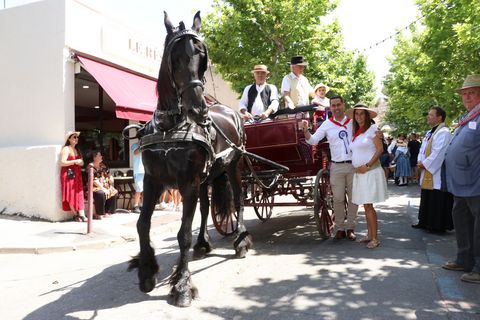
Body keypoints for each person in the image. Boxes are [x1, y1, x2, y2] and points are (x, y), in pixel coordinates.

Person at [301, 95, 359, 241]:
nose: (336, 108)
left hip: (353, 165)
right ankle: (339, 228)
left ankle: (351, 228)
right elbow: (313, 140)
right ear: (330, 107)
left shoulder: (353, 122)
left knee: (353, 198)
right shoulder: (327, 124)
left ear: (343, 105)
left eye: (338, 105)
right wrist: (306, 130)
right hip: (337, 167)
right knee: (338, 199)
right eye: (333, 105)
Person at [442, 74, 480, 284]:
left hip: (476, 182)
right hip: (462, 184)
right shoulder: (469, 119)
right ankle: (464, 259)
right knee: (462, 222)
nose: (466, 97)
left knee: (478, 227)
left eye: (471, 93)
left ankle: (478, 267)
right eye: (464, 94)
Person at [347, 103, 388, 249]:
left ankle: (375, 238)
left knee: (369, 206)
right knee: (366, 205)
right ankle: (370, 234)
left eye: (361, 114)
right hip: (360, 173)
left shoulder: (372, 129)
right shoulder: (356, 133)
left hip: (370, 171)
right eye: (356, 114)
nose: (359, 117)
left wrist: (368, 165)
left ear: (367, 115)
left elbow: (380, 149)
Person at [413, 106, 453, 233]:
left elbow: (439, 152)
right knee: (427, 196)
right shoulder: (430, 133)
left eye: (431, 115)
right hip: (426, 168)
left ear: (439, 117)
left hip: (437, 172)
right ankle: (424, 221)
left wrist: (424, 164)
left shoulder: (444, 132)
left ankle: (437, 225)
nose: (428, 117)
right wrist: (420, 161)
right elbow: (422, 150)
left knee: (437, 196)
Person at [60, 131, 87, 222]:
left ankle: (82, 214)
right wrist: (75, 162)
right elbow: (62, 162)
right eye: (74, 137)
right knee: (71, 194)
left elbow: (82, 163)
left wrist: (80, 162)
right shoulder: (66, 149)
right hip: (69, 174)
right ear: (69, 139)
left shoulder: (77, 149)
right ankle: (76, 214)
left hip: (77, 175)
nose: (76, 139)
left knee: (79, 194)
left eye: (77, 137)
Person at [89, 151, 118, 219]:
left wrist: (111, 178)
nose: (101, 157)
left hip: (104, 185)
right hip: (94, 187)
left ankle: (107, 212)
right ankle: (99, 214)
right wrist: (103, 188)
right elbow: (94, 180)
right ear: (94, 157)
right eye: (99, 155)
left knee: (114, 191)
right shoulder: (90, 167)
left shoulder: (102, 165)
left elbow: (109, 174)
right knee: (100, 193)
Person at [131, 142, 144, 213]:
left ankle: (143, 205)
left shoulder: (147, 145)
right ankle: (135, 206)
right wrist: (142, 145)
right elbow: (136, 152)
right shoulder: (134, 145)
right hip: (138, 170)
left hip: (146, 170)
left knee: (146, 189)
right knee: (139, 189)